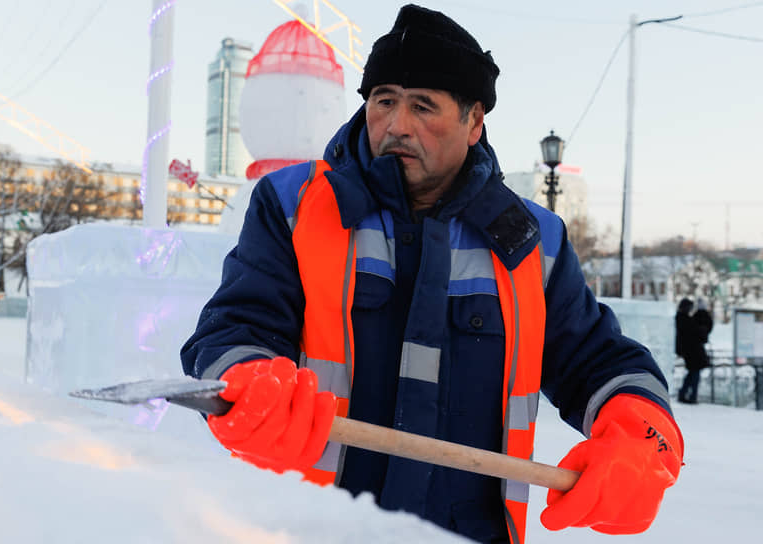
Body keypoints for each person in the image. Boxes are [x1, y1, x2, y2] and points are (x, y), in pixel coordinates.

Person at [181, 5, 683, 543]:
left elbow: (599, 360)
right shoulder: (292, 206)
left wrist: (640, 439)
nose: (397, 125)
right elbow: (235, 327)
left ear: (473, 122)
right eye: (384, 101)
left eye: (423, 106)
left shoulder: (533, 242)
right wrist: (252, 379)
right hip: (315, 529)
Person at [677, 298, 712, 404]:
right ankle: (691, 395)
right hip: (692, 351)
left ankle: (685, 393)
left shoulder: (684, 318)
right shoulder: (684, 319)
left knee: (693, 373)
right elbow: (696, 331)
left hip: (691, 351)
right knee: (694, 373)